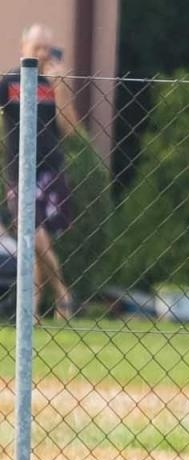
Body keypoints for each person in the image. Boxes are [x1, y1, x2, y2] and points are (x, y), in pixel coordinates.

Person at [2, 24, 78, 319]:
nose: (43, 54)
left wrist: (61, 89)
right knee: (32, 234)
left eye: (47, 48)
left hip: (51, 170)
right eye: (37, 48)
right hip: (19, 170)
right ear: (24, 49)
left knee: (36, 241)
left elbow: (70, 131)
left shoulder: (55, 84)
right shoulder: (10, 82)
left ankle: (30, 312)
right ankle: (62, 292)